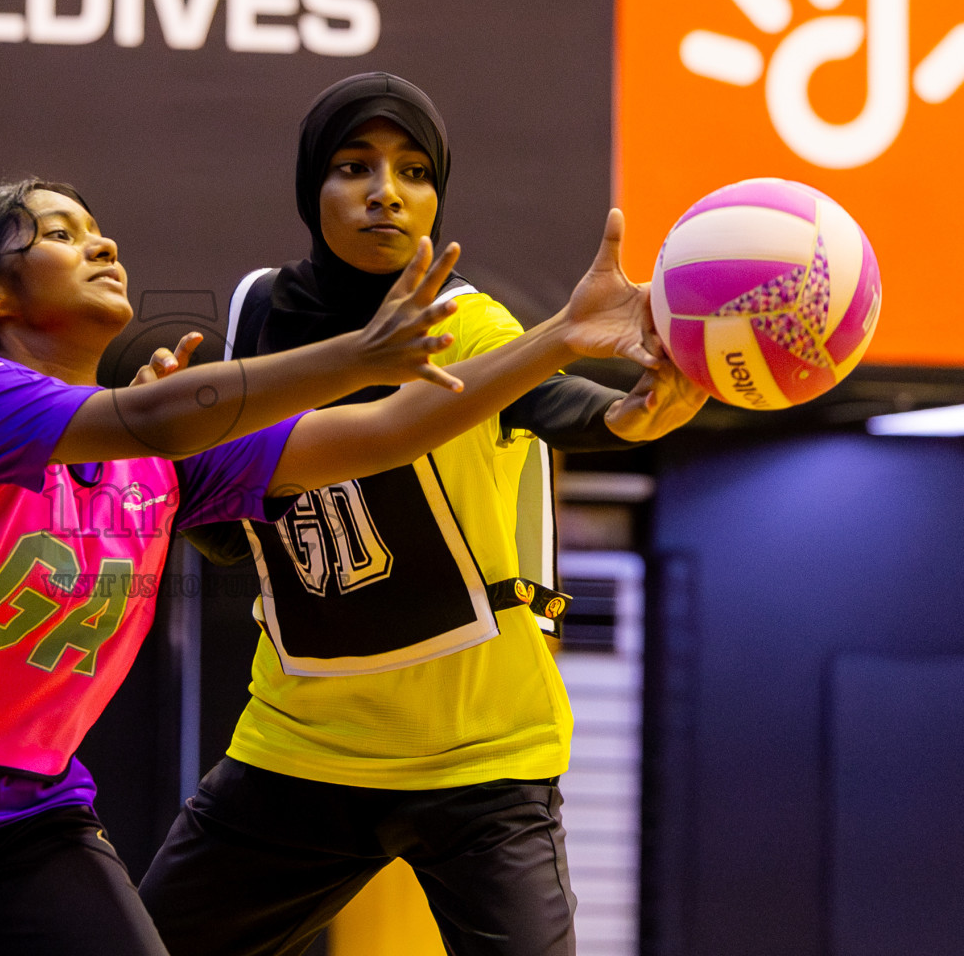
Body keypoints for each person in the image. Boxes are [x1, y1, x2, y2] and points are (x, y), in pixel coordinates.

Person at [0, 175, 659, 956]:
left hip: (21, 813)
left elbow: (387, 431)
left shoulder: (155, 459)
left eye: (98, 229)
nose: (102, 244)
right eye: (61, 234)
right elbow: (161, 416)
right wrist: (361, 352)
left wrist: (559, 338)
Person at [137, 73, 707, 956]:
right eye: (354, 167)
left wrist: (625, 418)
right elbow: (227, 542)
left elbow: (546, 400)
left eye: (414, 172)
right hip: (301, 748)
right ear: (310, 186)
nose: (386, 193)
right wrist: (175, 454)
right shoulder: (257, 312)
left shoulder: (468, 322)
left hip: (482, 759)